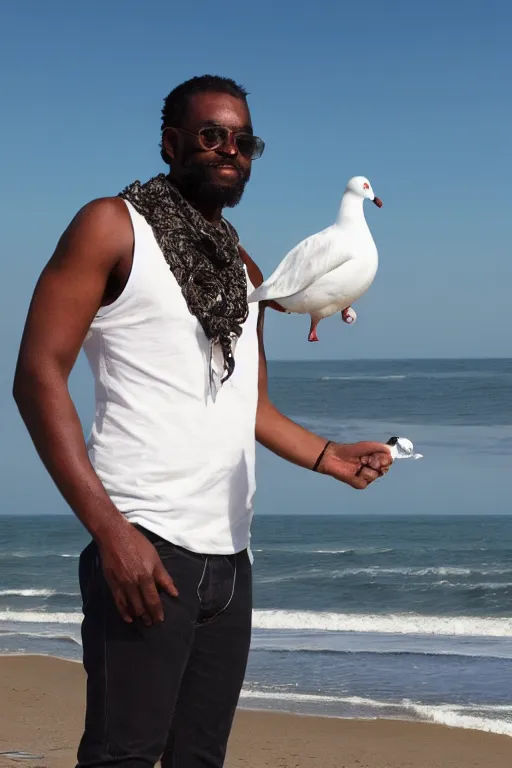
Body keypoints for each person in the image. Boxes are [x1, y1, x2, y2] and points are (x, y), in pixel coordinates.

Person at [13, 75, 393, 768]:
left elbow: (249, 407)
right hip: (145, 543)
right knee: (121, 756)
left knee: (199, 759)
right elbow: (37, 378)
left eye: (243, 141)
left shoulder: (242, 268)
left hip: (230, 561)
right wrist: (111, 533)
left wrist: (327, 457)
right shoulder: (111, 226)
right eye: (211, 135)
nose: (229, 151)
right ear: (170, 143)